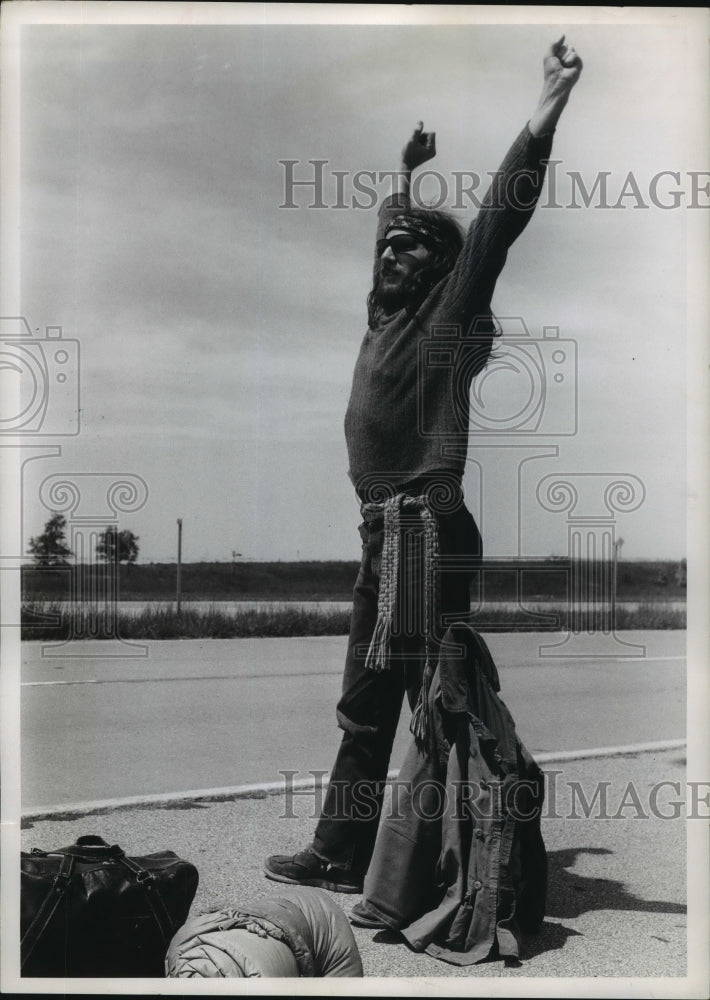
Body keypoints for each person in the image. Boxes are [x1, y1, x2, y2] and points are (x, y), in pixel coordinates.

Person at [265, 37, 583, 893]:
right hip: (386, 531)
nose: (391, 254)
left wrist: (548, 104)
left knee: (435, 708)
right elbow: (389, 231)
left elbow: (496, 223)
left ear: (442, 272)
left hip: (423, 529)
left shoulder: (444, 318)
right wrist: (402, 177)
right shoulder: (384, 315)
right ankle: (348, 854)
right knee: (369, 703)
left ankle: (465, 862)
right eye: (388, 247)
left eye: (409, 249)